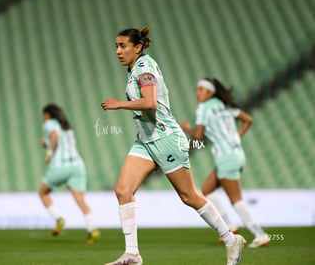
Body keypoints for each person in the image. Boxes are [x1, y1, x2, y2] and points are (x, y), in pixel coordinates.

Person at [101, 27, 245, 265]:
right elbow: (163, 92)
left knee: (189, 196)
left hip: (166, 139)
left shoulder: (144, 68)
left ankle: (231, 240)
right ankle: (132, 254)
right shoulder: (138, 67)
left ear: (137, 48)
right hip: (146, 140)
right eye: (116, 46)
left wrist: (119, 104)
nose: (118, 51)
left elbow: (150, 103)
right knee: (123, 191)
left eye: (123, 46)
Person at [182, 78, 270, 248]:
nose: (197, 93)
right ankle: (229, 226)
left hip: (225, 157)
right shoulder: (225, 105)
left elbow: (199, 138)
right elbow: (248, 120)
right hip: (236, 153)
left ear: (209, 92)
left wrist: (188, 129)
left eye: (201, 89)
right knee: (206, 190)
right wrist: (236, 137)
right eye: (197, 89)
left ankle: (260, 234)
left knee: (236, 199)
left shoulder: (203, 108)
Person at [39, 103, 100, 244]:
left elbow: (54, 135)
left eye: (44, 115)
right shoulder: (67, 127)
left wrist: (48, 152)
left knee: (43, 192)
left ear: (48, 115)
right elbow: (61, 143)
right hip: (78, 165)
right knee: (80, 199)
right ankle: (93, 229)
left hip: (61, 166)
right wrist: (47, 144)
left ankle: (58, 218)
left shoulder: (50, 123)